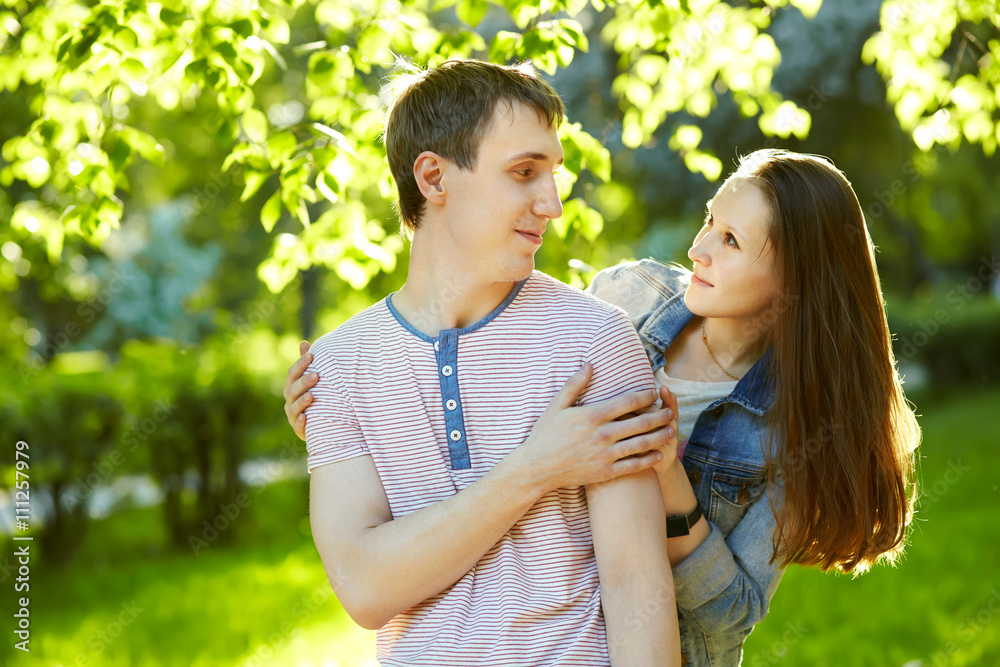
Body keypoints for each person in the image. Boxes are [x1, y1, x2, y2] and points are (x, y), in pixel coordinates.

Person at [285, 148, 921, 665]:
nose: (698, 248)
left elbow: (732, 614)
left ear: (795, 277)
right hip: (566, 630)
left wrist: (666, 470)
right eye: (709, 220)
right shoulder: (628, 294)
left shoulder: (803, 426)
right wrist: (350, 413)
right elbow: (513, 384)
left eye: (730, 241)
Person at [293, 58, 681, 666]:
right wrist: (536, 467)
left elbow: (637, 585)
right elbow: (366, 589)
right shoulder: (336, 368)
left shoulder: (596, 341)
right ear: (433, 177)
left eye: (552, 174)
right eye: (524, 172)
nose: (552, 204)